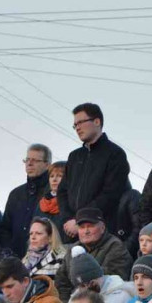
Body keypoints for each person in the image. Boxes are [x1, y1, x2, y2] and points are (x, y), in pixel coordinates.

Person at [57, 103, 132, 241]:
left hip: (102, 234)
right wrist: (67, 219)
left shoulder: (115, 154)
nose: (77, 128)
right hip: (71, 233)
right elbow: (62, 191)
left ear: (97, 121)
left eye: (81, 122)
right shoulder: (74, 157)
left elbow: (110, 194)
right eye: (75, 125)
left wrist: (80, 220)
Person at [54, 208, 133, 302]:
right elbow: (61, 280)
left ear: (102, 228)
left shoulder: (115, 247)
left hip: (104, 302)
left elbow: (110, 282)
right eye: (82, 227)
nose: (86, 231)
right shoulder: (73, 249)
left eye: (90, 226)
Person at [3, 144, 53, 256]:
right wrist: (8, 251)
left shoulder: (53, 192)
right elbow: (5, 228)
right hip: (15, 258)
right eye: (27, 160)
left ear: (47, 165)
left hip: (45, 257)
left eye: (35, 160)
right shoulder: (16, 194)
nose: (29, 163)